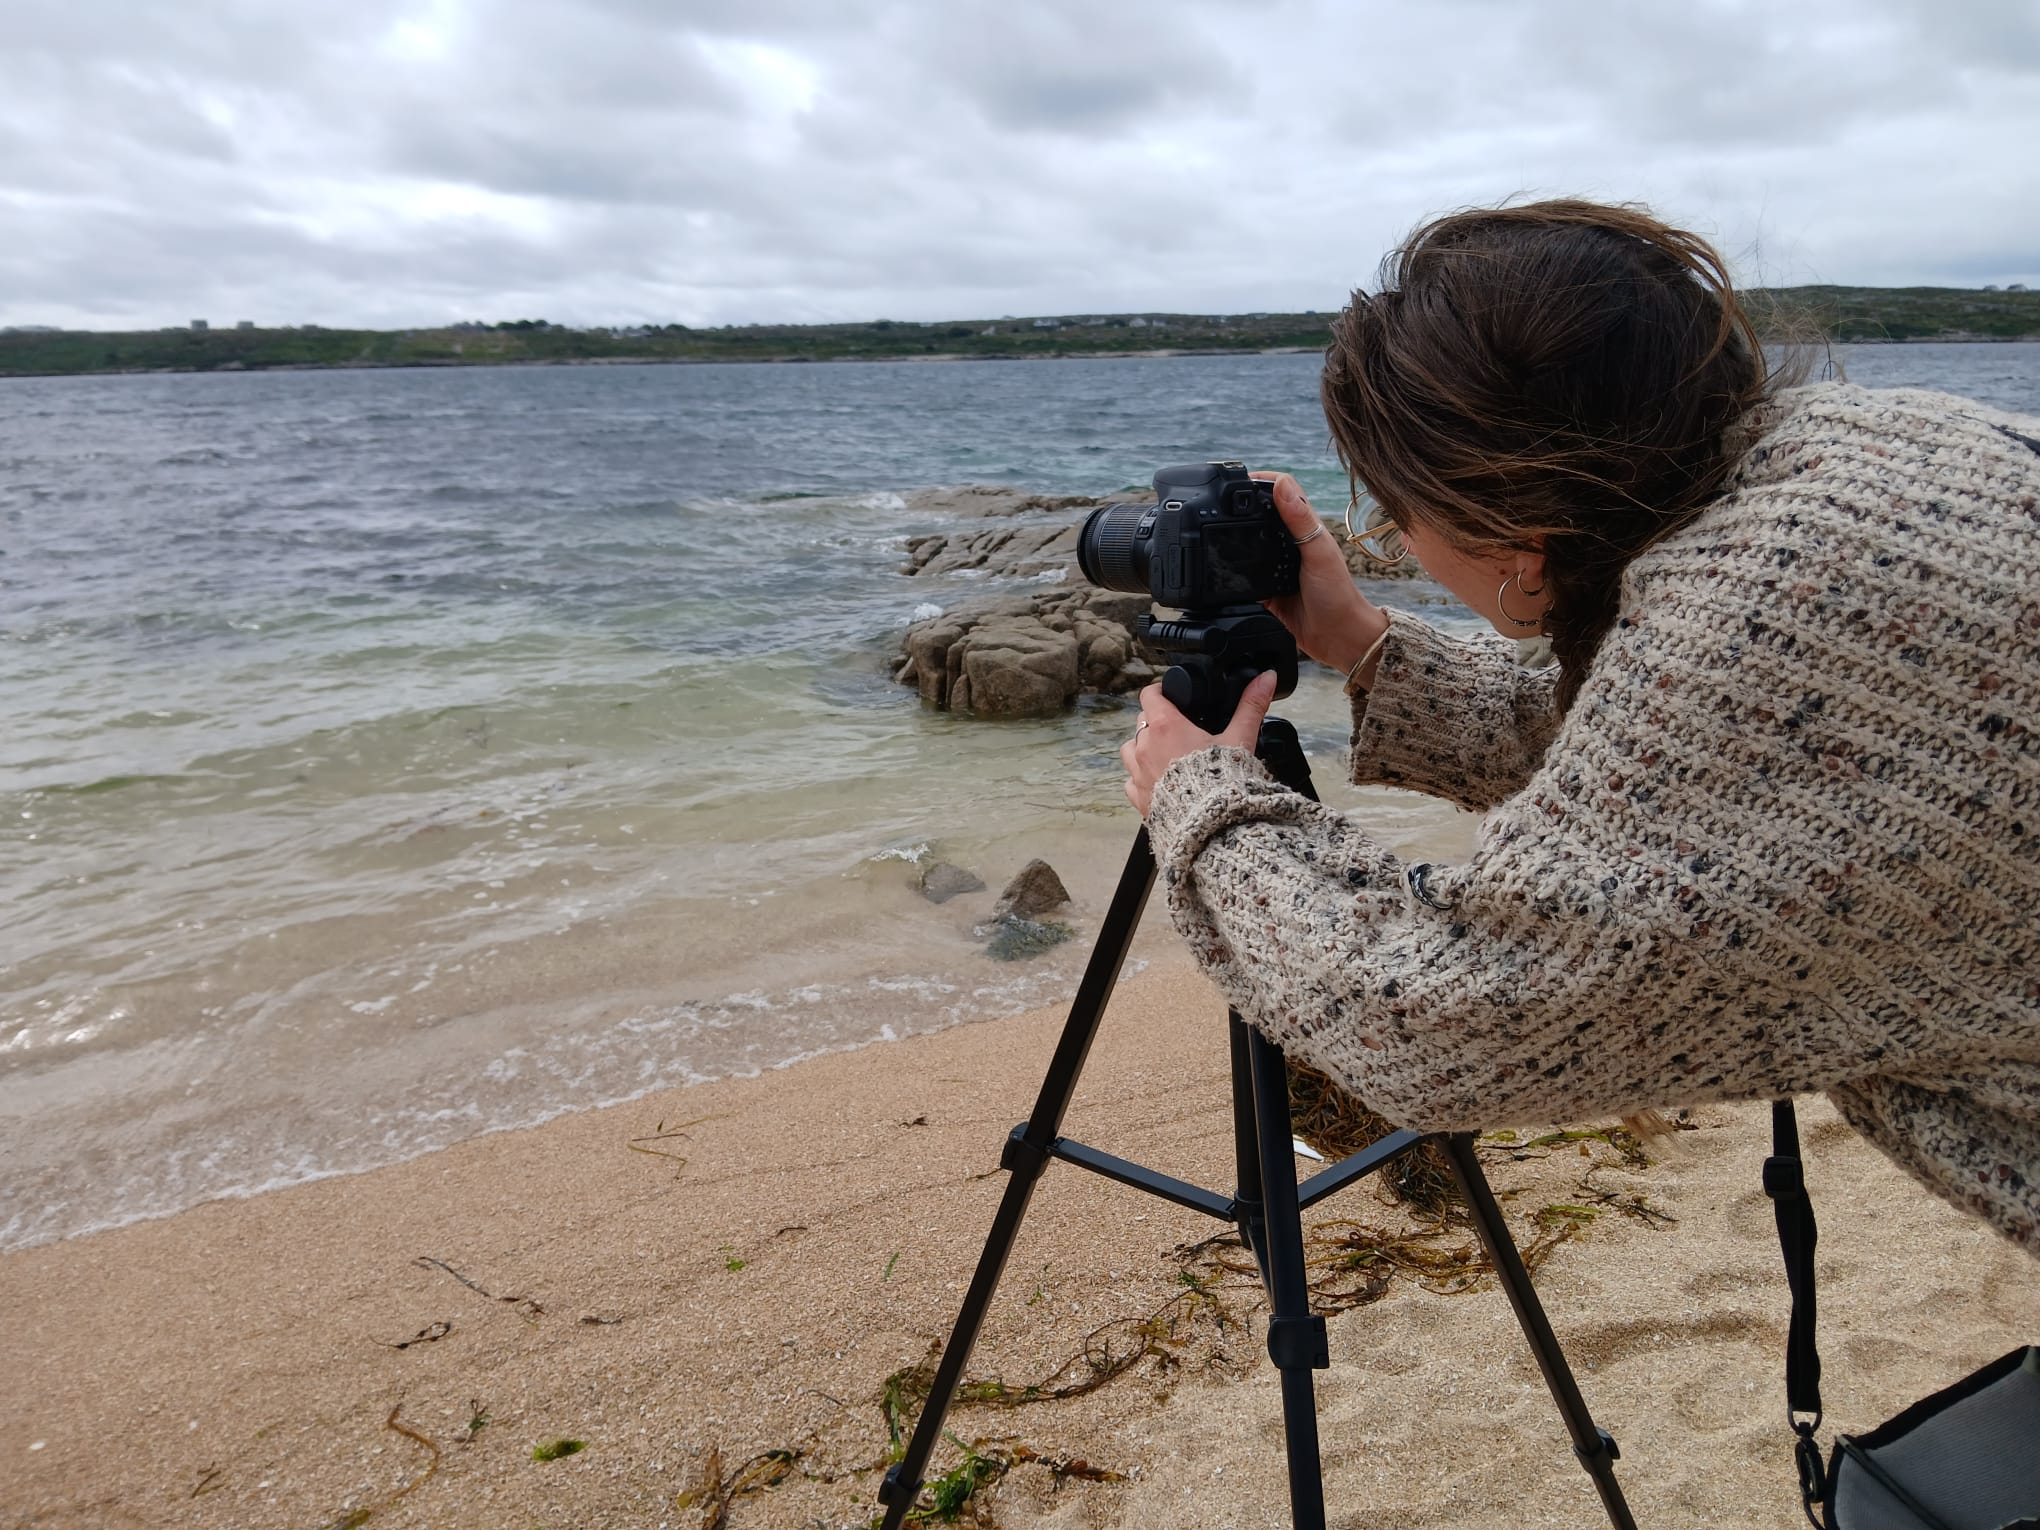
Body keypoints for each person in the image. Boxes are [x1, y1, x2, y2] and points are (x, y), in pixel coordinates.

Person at [1118, 199, 2040, 1256]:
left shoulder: (1750, 626)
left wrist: (1206, 808)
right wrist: (1367, 642)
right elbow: (1719, 756)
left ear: (1509, 531)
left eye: (1392, 512)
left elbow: (1429, 1026)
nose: (1395, 539)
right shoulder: (1859, 450)